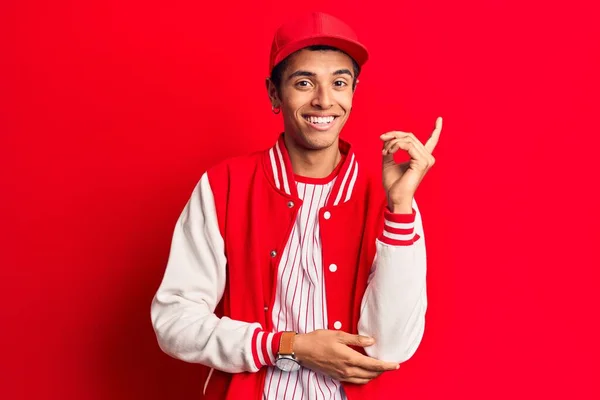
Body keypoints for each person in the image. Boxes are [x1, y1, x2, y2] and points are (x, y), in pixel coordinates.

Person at [151, 11, 442, 400]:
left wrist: (401, 207)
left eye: (339, 82)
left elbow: (389, 348)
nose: (324, 100)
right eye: (304, 82)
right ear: (274, 93)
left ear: (353, 91)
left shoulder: (390, 200)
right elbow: (173, 320)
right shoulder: (225, 185)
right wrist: (289, 346)